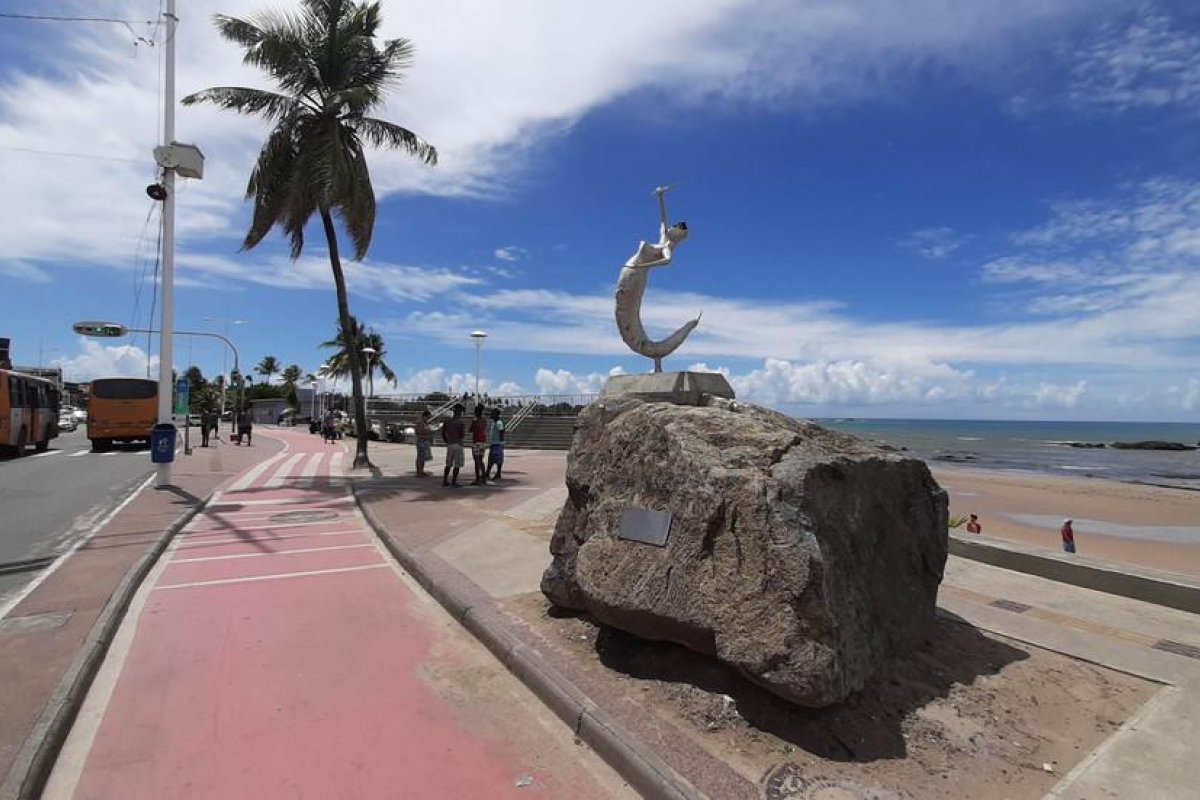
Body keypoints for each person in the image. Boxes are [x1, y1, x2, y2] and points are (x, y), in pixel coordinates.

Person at [441, 404, 466, 487]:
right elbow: (462, 435)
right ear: (460, 412)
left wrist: (446, 441)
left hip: (450, 443)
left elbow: (443, 433)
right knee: (457, 464)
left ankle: (445, 480)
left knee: (448, 464)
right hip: (458, 443)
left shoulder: (448, 421)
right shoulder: (460, 422)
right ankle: (454, 482)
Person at [470, 405, 489, 485]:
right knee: (481, 461)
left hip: (476, 441)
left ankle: (477, 479)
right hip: (483, 441)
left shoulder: (475, 420)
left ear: (476, 412)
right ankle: (483, 478)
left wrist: (473, 422)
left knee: (476, 461)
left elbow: (471, 429)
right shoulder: (484, 420)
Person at [486, 407, 505, 481]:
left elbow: (502, 430)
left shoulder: (498, 422)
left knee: (496, 459)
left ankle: (497, 473)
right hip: (493, 443)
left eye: (492, 413)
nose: (491, 415)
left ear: (496, 414)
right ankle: (488, 472)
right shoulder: (494, 422)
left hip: (497, 443)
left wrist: (501, 441)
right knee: (491, 458)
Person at [415, 410, 433, 477]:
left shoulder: (425, 423)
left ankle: (421, 471)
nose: (428, 419)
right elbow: (419, 433)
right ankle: (419, 472)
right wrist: (426, 435)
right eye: (428, 417)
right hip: (421, 442)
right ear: (424, 416)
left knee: (423, 458)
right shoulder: (420, 423)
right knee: (420, 457)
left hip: (424, 441)